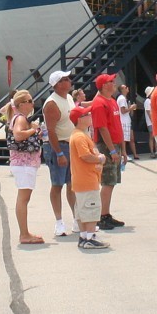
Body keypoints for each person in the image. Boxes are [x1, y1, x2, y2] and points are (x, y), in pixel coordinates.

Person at [66, 104, 108, 250]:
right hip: (86, 180)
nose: (90, 116)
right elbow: (85, 156)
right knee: (91, 209)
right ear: (80, 119)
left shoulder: (80, 134)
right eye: (86, 115)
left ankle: (84, 236)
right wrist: (100, 158)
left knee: (82, 210)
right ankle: (90, 238)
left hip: (83, 180)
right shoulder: (79, 136)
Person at [5, 90, 45, 245]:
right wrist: (33, 130)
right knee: (23, 199)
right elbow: (18, 135)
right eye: (29, 101)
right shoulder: (21, 118)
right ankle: (24, 234)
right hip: (24, 164)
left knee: (24, 198)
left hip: (24, 164)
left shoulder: (20, 118)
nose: (32, 103)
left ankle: (25, 232)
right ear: (21, 104)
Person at [41, 71, 78, 237]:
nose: (69, 81)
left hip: (71, 145)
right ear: (57, 85)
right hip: (59, 146)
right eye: (65, 79)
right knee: (57, 184)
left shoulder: (68, 98)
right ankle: (59, 222)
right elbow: (51, 131)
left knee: (73, 184)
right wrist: (59, 153)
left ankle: (77, 219)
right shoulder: (52, 104)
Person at [90, 74, 126, 228]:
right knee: (107, 181)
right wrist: (112, 151)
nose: (115, 83)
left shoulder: (112, 102)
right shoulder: (99, 103)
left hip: (115, 144)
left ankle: (106, 213)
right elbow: (102, 128)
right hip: (107, 146)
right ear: (104, 85)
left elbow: (118, 126)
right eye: (111, 81)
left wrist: (123, 149)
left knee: (111, 182)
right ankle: (101, 215)